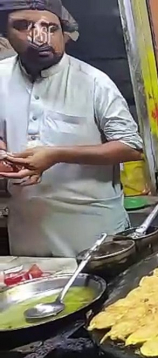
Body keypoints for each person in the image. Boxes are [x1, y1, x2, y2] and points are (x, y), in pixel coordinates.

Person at [0, 0, 144, 257]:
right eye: (23, 26)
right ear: (6, 33)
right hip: (27, 237)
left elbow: (131, 146)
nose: (38, 36)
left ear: (64, 34)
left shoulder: (93, 83)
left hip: (92, 233)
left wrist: (57, 155)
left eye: (50, 28)